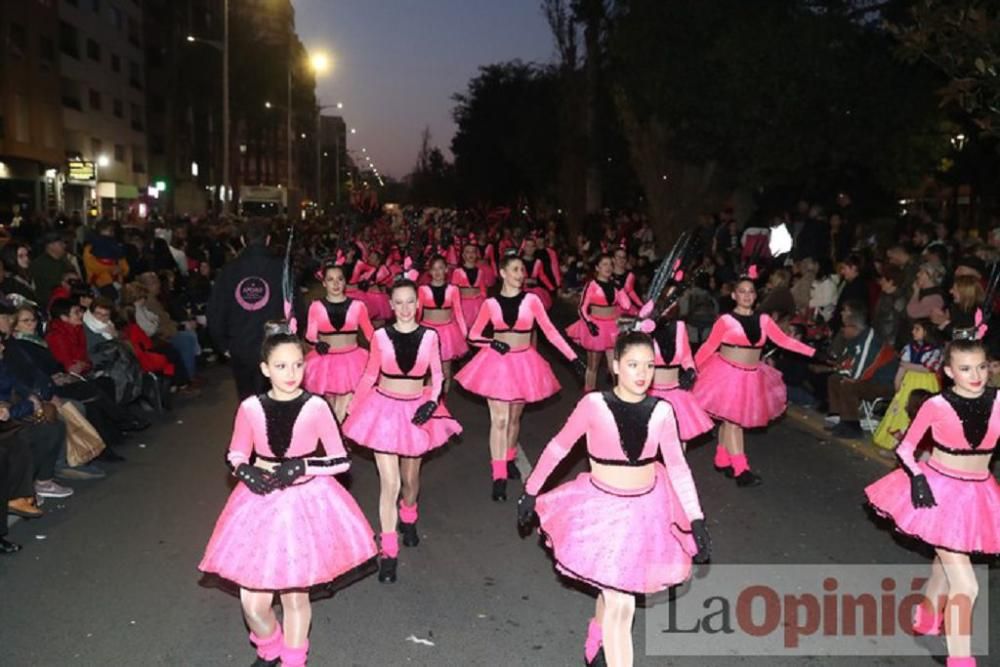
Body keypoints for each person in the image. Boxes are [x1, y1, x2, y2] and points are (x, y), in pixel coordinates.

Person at [517, 331, 710, 667]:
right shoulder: (593, 405)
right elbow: (559, 447)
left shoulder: (663, 411)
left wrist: (696, 519)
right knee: (622, 604)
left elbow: (678, 467)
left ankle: (595, 637)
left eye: (649, 366)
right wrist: (531, 491)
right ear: (616, 365)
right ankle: (602, 643)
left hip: (646, 513)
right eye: (634, 364)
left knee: (617, 585)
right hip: (601, 510)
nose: (642, 373)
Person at [198, 323, 377, 667]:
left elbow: (341, 459)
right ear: (265, 369)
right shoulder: (251, 407)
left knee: (296, 596)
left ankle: (294, 661)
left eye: (297, 364)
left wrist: (304, 465)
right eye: (281, 366)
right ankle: (270, 647)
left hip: (304, 502)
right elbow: (235, 452)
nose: (291, 373)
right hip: (260, 502)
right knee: (254, 604)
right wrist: (245, 470)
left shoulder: (317, 406)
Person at [865, 338, 1000, 667]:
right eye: (966, 368)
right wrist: (917, 478)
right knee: (966, 585)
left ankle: (925, 616)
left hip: (980, 494)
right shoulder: (936, 405)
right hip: (942, 494)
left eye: (981, 366)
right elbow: (905, 449)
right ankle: (961, 660)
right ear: (949, 372)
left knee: (948, 562)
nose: (976, 375)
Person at [342, 278, 462, 583]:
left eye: (411, 301)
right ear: (391, 305)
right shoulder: (380, 336)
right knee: (390, 484)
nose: (406, 308)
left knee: (410, 481)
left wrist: (432, 402)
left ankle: (409, 514)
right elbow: (370, 373)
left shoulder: (430, 336)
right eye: (400, 302)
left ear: (417, 304)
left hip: (416, 410)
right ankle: (389, 551)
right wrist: (354, 403)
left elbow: (437, 377)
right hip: (383, 409)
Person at [455, 251, 585, 501]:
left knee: (514, 418)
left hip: (525, 363)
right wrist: (492, 343)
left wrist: (573, 357)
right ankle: (499, 476)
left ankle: (510, 456)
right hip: (497, 365)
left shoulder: (532, 301)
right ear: (502, 273)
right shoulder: (490, 304)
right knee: (500, 420)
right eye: (515, 270)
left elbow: (550, 331)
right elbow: (473, 335)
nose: (520, 274)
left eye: (522, 270)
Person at [693, 276, 815, 486]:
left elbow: (784, 341)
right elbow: (709, 346)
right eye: (742, 291)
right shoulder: (725, 321)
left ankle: (722, 459)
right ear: (734, 295)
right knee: (734, 422)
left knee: (729, 420)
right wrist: (691, 367)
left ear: (756, 296)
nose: (747, 295)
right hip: (726, 374)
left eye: (751, 291)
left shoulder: (764, 320)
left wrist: (812, 351)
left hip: (751, 376)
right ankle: (742, 470)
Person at [208, 220, 290, 399]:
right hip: (275, 345)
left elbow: (215, 312)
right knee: (275, 399)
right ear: (268, 240)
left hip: (240, 346)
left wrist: (222, 345)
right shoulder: (281, 269)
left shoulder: (229, 271)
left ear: (243, 240)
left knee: (247, 400)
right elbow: (296, 309)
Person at [303, 263, 374, 423]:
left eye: (340, 279)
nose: (335, 284)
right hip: (325, 364)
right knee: (331, 408)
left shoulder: (358, 306)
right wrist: (316, 344)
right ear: (324, 283)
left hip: (353, 363)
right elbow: (310, 336)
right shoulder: (316, 306)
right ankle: (335, 440)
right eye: (330, 279)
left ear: (345, 282)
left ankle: (337, 440)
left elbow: (371, 335)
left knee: (344, 406)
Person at [872, 320, 943, 450]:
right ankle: (896, 443)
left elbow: (928, 368)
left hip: (926, 382)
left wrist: (908, 366)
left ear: (926, 332)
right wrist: (897, 381)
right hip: (909, 381)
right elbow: (902, 367)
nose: (913, 332)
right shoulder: (909, 347)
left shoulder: (935, 350)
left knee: (921, 409)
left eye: (917, 329)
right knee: (902, 408)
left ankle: (918, 446)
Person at [566, 254, 630, 392]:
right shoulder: (591, 285)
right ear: (597, 268)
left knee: (615, 366)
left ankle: (619, 396)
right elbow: (582, 307)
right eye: (604, 264)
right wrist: (589, 323)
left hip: (613, 327)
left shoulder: (615, 286)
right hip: (596, 327)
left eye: (610, 264)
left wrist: (620, 289)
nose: (608, 267)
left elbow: (626, 305)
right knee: (593, 365)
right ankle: (589, 394)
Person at [649, 315, 714, 445]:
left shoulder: (679, 327)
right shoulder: (644, 327)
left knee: (679, 440)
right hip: (650, 395)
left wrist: (691, 371)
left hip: (677, 394)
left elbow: (686, 357)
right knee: (653, 441)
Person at [417, 255, 469, 392]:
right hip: (428, 332)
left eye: (440, 268)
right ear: (429, 272)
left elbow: (458, 312)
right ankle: (429, 400)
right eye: (434, 269)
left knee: (446, 371)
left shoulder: (453, 290)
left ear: (446, 270)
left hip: (448, 334)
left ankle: (442, 405)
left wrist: (464, 334)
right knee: (429, 370)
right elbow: (418, 312)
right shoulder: (423, 290)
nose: (437, 272)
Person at [30, 232, 74, 306]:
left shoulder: (63, 260)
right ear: (51, 246)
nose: (64, 246)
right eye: (60, 243)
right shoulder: (40, 263)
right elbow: (49, 285)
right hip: (51, 303)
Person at [451, 243, 489, 328]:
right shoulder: (458, 271)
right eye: (468, 252)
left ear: (476, 255)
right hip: (463, 305)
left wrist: (483, 301)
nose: (471, 254)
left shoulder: (481, 272)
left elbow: (483, 289)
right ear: (463, 255)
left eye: (473, 252)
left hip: (477, 304)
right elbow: (453, 290)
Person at [611, 247, 643, 314]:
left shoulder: (631, 276)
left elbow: (637, 296)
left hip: (630, 313)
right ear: (613, 259)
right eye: (619, 257)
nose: (622, 259)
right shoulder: (608, 277)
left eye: (624, 257)